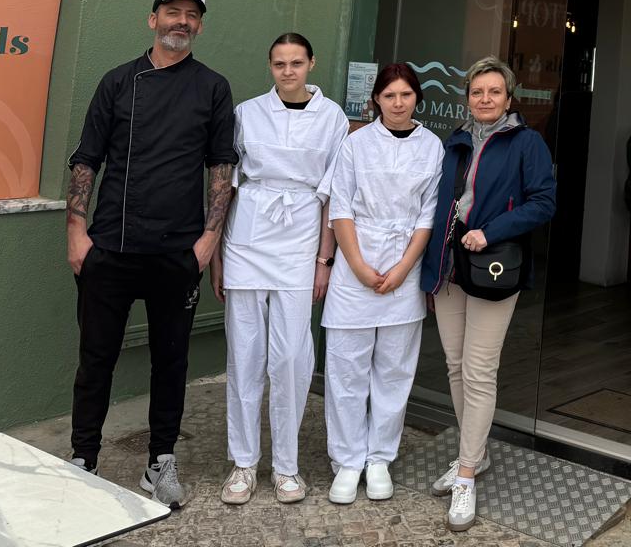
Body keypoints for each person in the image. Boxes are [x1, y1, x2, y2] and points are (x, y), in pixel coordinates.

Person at [64, 0, 236, 508]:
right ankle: (83, 458)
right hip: (110, 247)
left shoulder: (212, 87)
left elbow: (221, 167)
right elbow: (86, 159)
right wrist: (76, 232)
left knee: (171, 362)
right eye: (172, 12)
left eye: (191, 15)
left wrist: (208, 241)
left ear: (199, 26)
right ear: (153, 19)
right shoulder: (118, 81)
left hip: (177, 252)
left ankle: (160, 461)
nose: (181, 21)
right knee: (96, 360)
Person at [420, 56, 557, 532]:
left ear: (508, 97)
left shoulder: (526, 142)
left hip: (492, 264)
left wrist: (490, 231)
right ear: (467, 98)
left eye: (494, 91)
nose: (485, 99)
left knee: (479, 370)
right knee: (455, 365)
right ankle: (473, 455)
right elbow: (439, 204)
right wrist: (428, 266)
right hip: (449, 266)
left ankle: (466, 475)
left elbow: (544, 202)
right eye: (477, 92)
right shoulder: (455, 140)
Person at [210, 33, 347, 505]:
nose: (288, 71)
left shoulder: (332, 117)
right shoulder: (247, 113)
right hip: (247, 237)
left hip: (301, 238)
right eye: (279, 63)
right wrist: (218, 253)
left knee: (291, 357)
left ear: (312, 63)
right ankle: (244, 463)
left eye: (296, 63)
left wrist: (324, 260)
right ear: (270, 66)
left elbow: (333, 195)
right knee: (245, 352)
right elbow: (226, 184)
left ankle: (287, 466)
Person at [320, 62, 444, 505]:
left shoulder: (432, 147)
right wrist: (356, 265)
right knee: (346, 371)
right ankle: (347, 459)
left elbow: (428, 216)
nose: (397, 103)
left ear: (417, 99)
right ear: (376, 99)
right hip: (355, 266)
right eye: (389, 95)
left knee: (394, 371)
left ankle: (378, 459)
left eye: (406, 95)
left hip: (404, 269)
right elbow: (341, 207)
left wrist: (404, 268)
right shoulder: (355, 144)